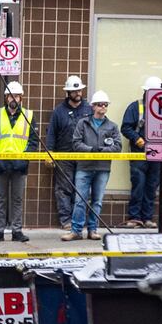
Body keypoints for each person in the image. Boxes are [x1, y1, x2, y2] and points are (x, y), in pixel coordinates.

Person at [64, 90, 123, 241]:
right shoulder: (82, 123)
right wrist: (91, 150)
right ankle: (76, 230)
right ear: (93, 106)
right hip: (84, 167)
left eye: (105, 105)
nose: (103, 107)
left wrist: (101, 150)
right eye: (100, 105)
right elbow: (76, 143)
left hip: (102, 169)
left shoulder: (112, 127)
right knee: (80, 200)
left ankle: (93, 229)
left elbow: (117, 146)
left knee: (97, 201)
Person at [0, 80, 36, 243]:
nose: (13, 98)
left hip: (19, 165)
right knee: (0, 199)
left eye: (16, 95)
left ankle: (17, 231)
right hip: (0, 164)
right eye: (10, 95)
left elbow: (33, 141)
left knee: (17, 199)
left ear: (21, 98)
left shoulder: (28, 115)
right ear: (5, 98)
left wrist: (23, 159)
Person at [120, 75, 162, 227]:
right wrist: (137, 139)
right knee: (139, 185)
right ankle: (134, 218)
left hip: (157, 153)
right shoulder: (136, 107)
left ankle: (147, 218)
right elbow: (125, 127)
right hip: (140, 153)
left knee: (152, 186)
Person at [46, 74, 88, 229]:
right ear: (68, 93)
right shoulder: (59, 111)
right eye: (75, 91)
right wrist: (49, 153)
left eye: (79, 91)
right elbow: (51, 133)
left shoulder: (88, 109)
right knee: (64, 188)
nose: (78, 94)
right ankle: (66, 220)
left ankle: (78, 220)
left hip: (84, 156)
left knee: (81, 188)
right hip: (64, 156)